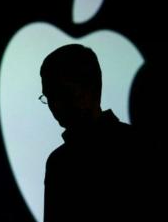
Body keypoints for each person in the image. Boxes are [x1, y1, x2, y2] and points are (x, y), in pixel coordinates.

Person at [40, 44, 144, 222]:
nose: (54, 105)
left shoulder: (59, 163)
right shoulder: (139, 144)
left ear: (89, 90)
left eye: (61, 93)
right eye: (49, 97)